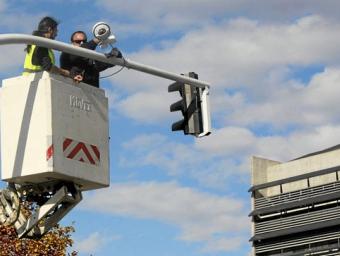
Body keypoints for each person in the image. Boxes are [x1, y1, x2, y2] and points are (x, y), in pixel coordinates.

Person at [23, 16, 82, 81]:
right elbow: (48, 67)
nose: (56, 33)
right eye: (56, 30)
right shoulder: (41, 43)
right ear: (50, 30)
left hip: (30, 81)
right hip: (36, 83)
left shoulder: (35, 42)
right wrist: (67, 73)